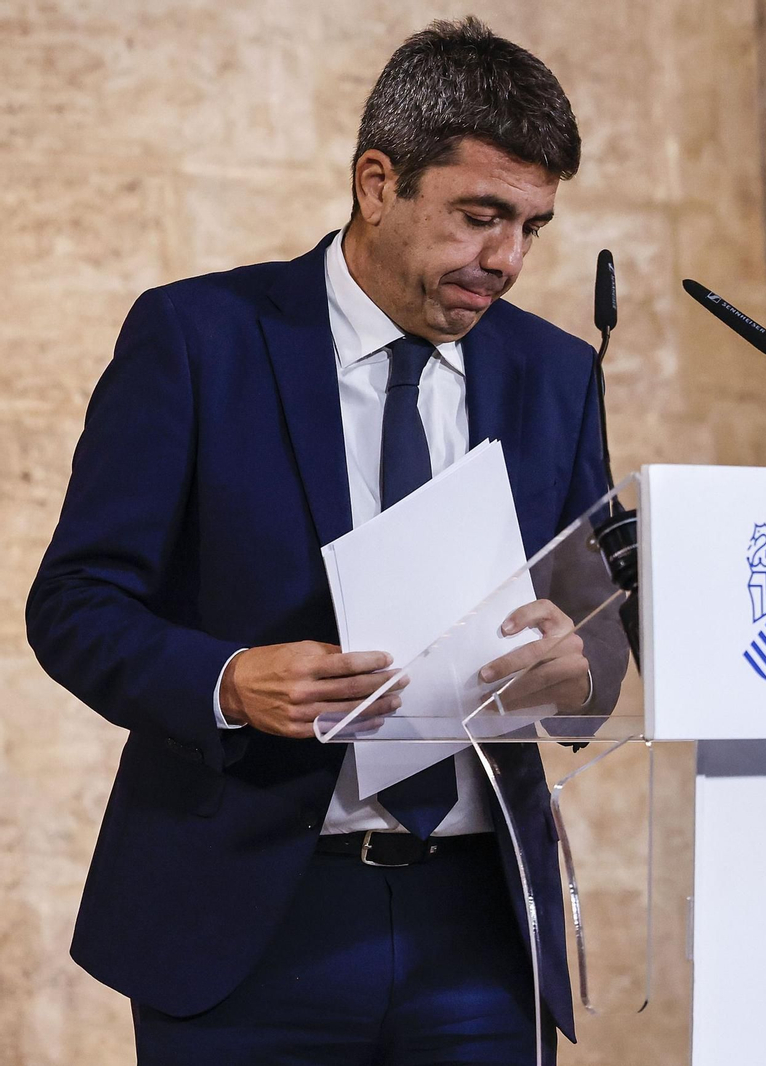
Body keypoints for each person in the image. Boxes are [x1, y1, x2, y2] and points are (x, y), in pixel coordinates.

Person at [25, 17, 627, 1064]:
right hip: (243, 921)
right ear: (378, 182)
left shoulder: (556, 373)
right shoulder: (197, 338)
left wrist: (576, 664)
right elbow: (74, 601)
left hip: (479, 936)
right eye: (480, 216)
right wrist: (225, 679)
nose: (507, 260)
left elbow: (593, 639)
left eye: (533, 227)